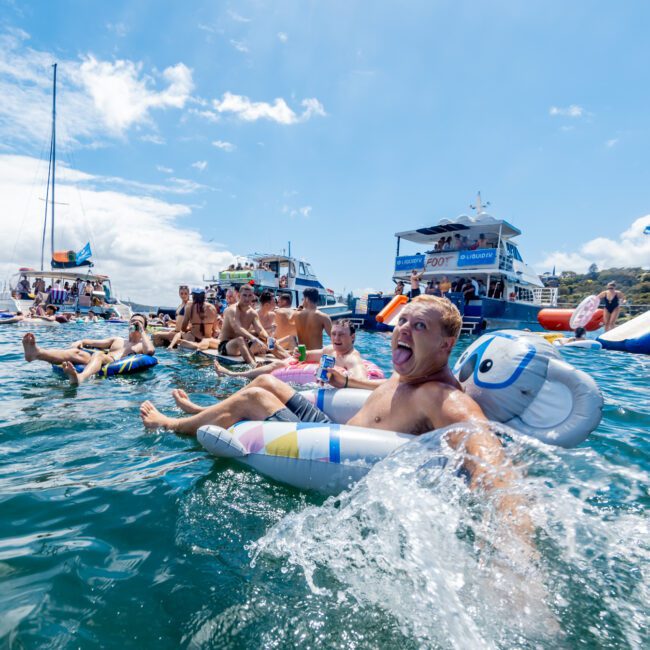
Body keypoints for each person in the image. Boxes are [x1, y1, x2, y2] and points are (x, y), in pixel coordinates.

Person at [140, 296, 533, 549]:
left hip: (335, 443)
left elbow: (491, 461)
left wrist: (514, 548)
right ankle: (201, 415)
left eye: (419, 326)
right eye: (403, 321)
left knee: (255, 397)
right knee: (264, 380)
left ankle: (171, 424)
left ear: (446, 345)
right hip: (329, 423)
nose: (404, 329)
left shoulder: (441, 396)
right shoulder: (410, 372)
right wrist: (347, 381)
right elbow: (379, 390)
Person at [213, 319, 374, 382]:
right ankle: (232, 374)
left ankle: (233, 374)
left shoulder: (351, 358)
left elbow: (361, 381)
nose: (336, 338)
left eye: (341, 335)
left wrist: (337, 377)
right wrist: (297, 353)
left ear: (352, 337)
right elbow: (309, 355)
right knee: (275, 366)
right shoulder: (330, 349)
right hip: (308, 378)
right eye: (333, 334)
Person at [22, 313, 154, 385]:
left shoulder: (142, 344)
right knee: (76, 353)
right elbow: (88, 342)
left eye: (138, 322)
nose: (134, 323)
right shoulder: (117, 340)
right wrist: (79, 342)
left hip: (113, 361)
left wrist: (142, 331)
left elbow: (150, 352)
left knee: (99, 355)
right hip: (101, 359)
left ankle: (80, 378)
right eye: (133, 321)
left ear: (144, 327)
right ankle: (36, 353)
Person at [216, 284, 271, 363]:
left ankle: (288, 359)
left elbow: (260, 330)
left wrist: (268, 338)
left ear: (253, 297)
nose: (247, 298)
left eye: (249, 296)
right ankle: (253, 365)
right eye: (244, 295)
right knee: (240, 339)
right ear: (239, 295)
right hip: (226, 346)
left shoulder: (252, 313)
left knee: (269, 340)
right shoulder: (232, 310)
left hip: (244, 344)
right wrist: (253, 338)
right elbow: (237, 329)